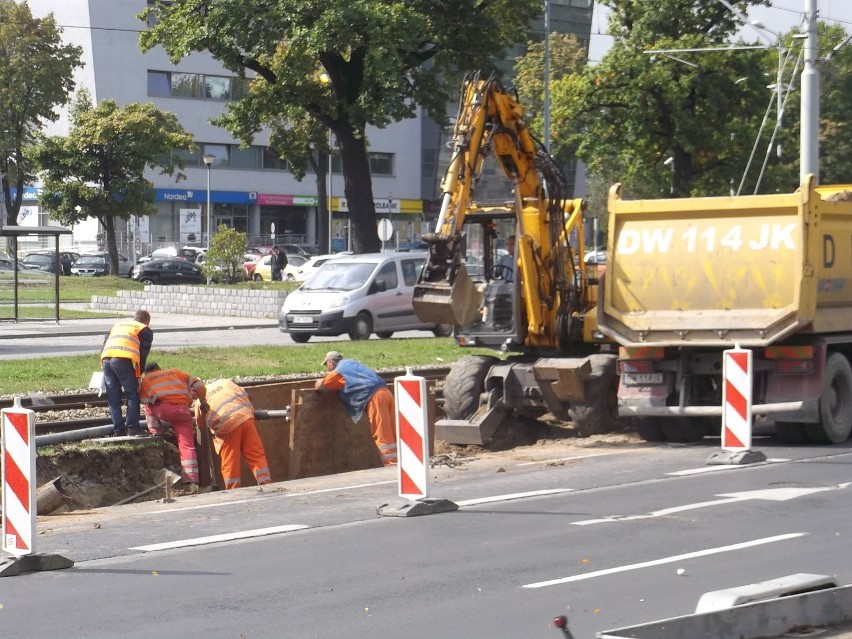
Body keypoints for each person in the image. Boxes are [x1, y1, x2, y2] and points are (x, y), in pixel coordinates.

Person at [315, 351, 398, 466]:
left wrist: (319, 381)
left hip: (375, 398)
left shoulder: (338, 371)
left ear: (331, 362)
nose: (327, 369)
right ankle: (405, 461)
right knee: (394, 430)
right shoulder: (351, 364)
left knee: (382, 433)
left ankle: (391, 464)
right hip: (386, 393)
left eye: (326, 365)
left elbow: (322, 386)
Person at [194, 378, 272, 489]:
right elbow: (246, 394)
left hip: (228, 427)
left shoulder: (199, 402)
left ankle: (233, 491)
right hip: (246, 417)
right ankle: (266, 485)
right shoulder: (225, 382)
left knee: (230, 461)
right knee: (256, 455)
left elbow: (201, 425)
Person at [140, 362, 207, 489]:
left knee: (148, 404)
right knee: (187, 445)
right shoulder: (175, 372)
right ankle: (191, 481)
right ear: (159, 369)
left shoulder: (146, 380)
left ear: (147, 373)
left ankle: (157, 432)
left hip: (163, 411)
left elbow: (145, 401)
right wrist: (203, 400)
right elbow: (198, 384)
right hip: (182, 410)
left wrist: (157, 428)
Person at [101, 309, 153, 437]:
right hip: (121, 361)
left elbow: (104, 345)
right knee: (133, 394)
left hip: (106, 360)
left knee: (113, 398)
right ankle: (132, 428)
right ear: (147, 322)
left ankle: (118, 430)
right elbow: (142, 354)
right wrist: (139, 375)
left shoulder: (117, 326)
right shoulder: (144, 329)